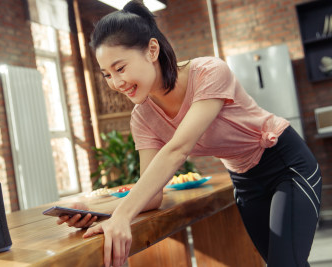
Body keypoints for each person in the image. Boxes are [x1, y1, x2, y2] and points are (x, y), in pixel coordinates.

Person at [57, 1, 322, 266]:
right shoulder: (142, 117)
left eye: (120, 68)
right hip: (245, 180)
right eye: (107, 75)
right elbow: (152, 195)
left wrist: (124, 215)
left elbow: (178, 149)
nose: (116, 83)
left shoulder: (209, 72)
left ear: (151, 50)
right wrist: (96, 213)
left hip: (285, 165)